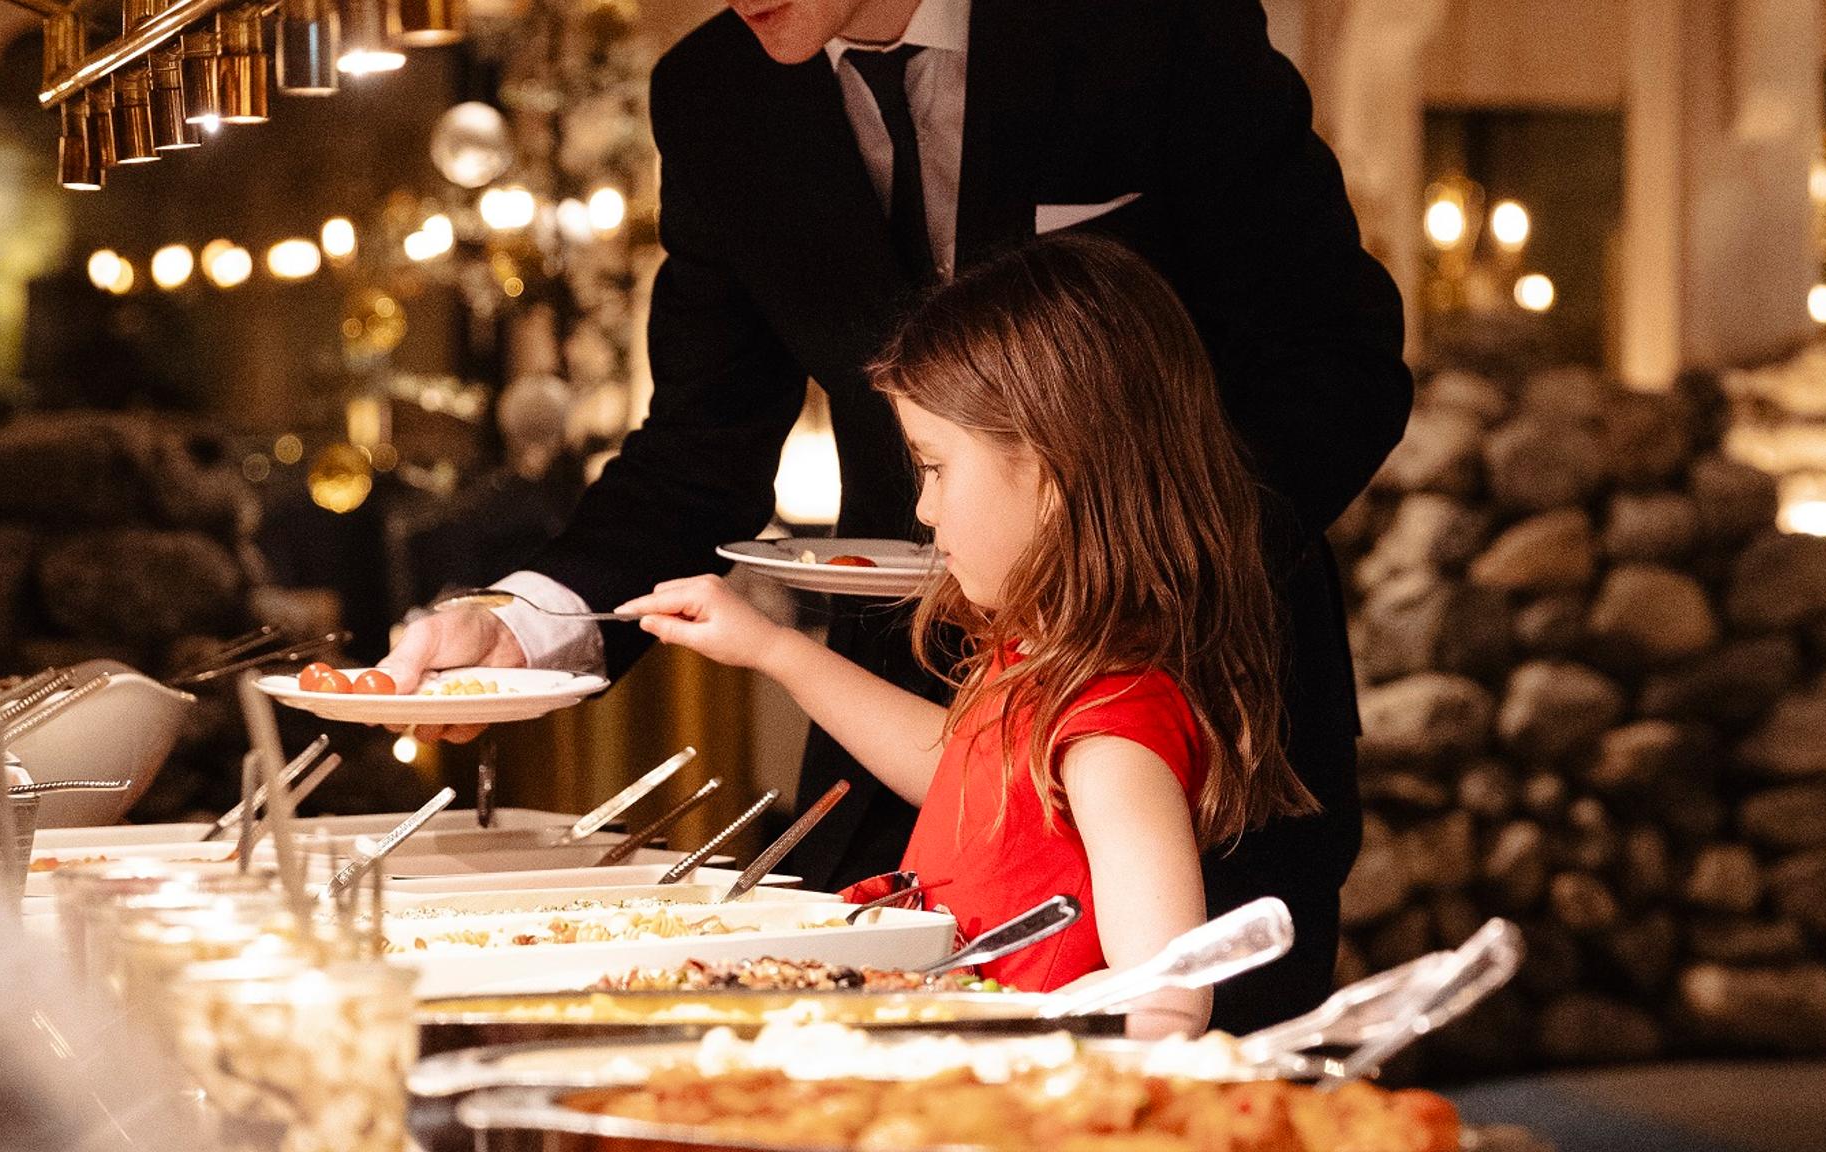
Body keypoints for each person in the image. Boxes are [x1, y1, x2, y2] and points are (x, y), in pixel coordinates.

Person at [377, 0, 1413, 1032]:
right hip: (912, 717)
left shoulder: (1155, 24)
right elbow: (700, 442)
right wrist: (524, 624)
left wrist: (1127, 561)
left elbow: (1341, 366)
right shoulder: (714, 91)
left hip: (1201, 704)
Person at [620, 235, 1315, 1037]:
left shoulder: (1111, 729)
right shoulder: (1038, 662)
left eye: (937, 468)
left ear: (1052, 473)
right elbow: (960, 774)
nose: (922, 508)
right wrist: (774, 649)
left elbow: (1167, 996)